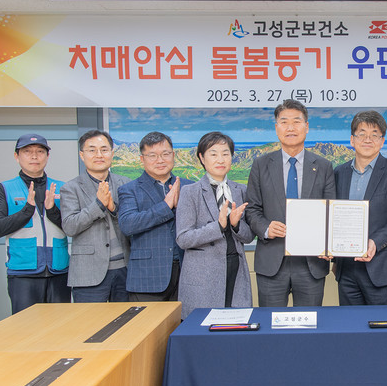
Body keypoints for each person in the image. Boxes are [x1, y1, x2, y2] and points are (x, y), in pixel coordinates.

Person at [245, 99, 335, 307]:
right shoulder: (261, 164)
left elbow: (331, 211)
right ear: (277, 128)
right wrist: (266, 228)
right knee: (270, 323)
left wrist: (329, 244)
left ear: (306, 127)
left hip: (311, 263)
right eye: (284, 122)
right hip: (272, 262)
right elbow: (252, 209)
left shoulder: (323, 166)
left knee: (309, 322)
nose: (290, 128)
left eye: (296, 121)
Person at [332, 111, 387, 305]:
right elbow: (333, 215)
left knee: (381, 323)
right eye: (362, 134)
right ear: (352, 140)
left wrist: (376, 242)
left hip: (381, 266)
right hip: (346, 269)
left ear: (382, 141)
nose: (367, 139)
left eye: (374, 135)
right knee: (349, 322)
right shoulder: (339, 172)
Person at [0, 133, 70, 313]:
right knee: (26, 326)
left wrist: (52, 211)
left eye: (40, 151)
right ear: (17, 156)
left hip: (59, 270)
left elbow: (72, 227)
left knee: (61, 325)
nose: (34, 156)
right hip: (23, 273)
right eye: (27, 151)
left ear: (47, 156)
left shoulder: (62, 187)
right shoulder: (5, 188)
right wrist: (26, 211)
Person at [176, 132, 255, 318]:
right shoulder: (190, 192)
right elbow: (183, 239)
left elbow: (249, 236)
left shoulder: (241, 190)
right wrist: (218, 226)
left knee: (236, 325)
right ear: (202, 158)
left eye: (225, 153)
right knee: (203, 329)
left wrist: (235, 225)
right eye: (213, 154)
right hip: (204, 276)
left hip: (236, 270)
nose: (220, 159)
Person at [117, 131, 194, 302]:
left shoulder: (189, 187)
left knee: (187, 320)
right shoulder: (129, 189)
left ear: (173, 155)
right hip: (147, 277)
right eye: (152, 155)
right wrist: (165, 206)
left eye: (165, 154)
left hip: (187, 274)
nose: (160, 160)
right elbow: (128, 224)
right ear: (142, 159)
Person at [60, 130, 131, 302]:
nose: (99, 155)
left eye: (104, 150)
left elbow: (132, 222)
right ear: (82, 155)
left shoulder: (125, 183)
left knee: (127, 319)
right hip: (88, 273)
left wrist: (113, 209)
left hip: (125, 269)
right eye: (92, 150)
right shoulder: (71, 188)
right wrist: (98, 205)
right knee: (90, 319)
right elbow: (70, 226)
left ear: (112, 153)